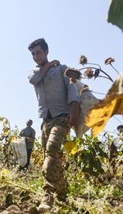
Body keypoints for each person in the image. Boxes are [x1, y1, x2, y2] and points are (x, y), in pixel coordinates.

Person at [27, 38, 80, 210]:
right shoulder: (33, 72)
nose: (36, 56)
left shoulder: (62, 69)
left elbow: (73, 89)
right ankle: (62, 194)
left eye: (39, 52)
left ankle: (47, 197)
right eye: (33, 53)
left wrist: (74, 112)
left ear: (47, 52)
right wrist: (49, 66)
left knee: (51, 153)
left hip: (62, 118)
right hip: (46, 120)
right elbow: (34, 79)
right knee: (51, 159)